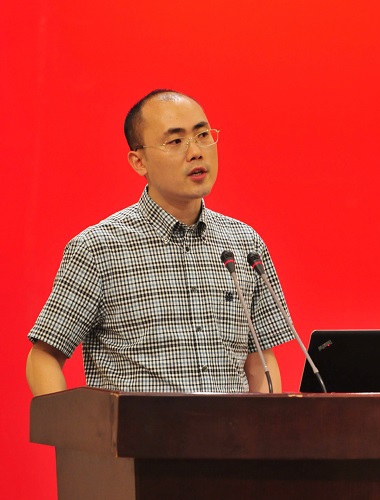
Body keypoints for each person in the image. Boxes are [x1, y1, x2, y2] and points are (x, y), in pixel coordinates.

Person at [26, 89, 293, 396]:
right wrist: (68, 423)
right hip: (137, 429)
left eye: (203, 135)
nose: (196, 152)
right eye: (175, 141)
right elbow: (45, 355)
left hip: (230, 428)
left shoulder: (245, 244)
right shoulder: (97, 249)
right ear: (139, 161)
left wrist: (267, 425)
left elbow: (260, 362)